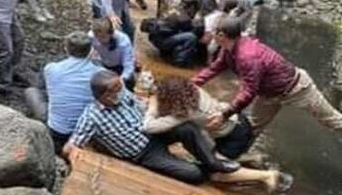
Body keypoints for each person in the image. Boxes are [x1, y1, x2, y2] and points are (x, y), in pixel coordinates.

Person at [194, 17, 342, 169]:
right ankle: (236, 158)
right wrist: (192, 84)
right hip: (269, 95)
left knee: (332, 120)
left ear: (222, 35)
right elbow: (214, 68)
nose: (211, 34)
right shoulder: (228, 49)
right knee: (253, 127)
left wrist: (224, 114)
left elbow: (248, 91)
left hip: (298, 88)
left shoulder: (247, 56)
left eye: (214, 32)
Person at [63, 70, 240, 184]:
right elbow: (71, 145)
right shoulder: (91, 116)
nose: (121, 90)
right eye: (116, 90)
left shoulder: (122, 93)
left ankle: (214, 162)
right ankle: (206, 170)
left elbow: (139, 103)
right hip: (143, 152)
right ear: (104, 95)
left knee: (188, 128)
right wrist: (71, 152)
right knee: (194, 174)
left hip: (153, 133)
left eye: (120, 86)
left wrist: (152, 104)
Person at [143, 78, 292, 193]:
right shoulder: (193, 89)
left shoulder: (185, 114)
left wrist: (151, 107)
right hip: (238, 122)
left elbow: (148, 127)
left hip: (233, 138)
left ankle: (266, 175)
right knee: (210, 155)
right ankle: (252, 158)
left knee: (216, 175)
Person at [43, 32, 102, 153]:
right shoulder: (100, 74)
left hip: (58, 129)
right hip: (86, 131)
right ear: (91, 50)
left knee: (32, 92)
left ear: (66, 48)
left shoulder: (51, 68)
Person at [140, 0, 204, 67]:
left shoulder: (174, 8)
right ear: (192, 7)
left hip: (154, 36)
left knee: (178, 31)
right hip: (162, 41)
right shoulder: (185, 18)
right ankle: (180, 61)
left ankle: (166, 53)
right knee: (191, 37)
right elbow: (192, 30)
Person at [89, 18, 136, 89]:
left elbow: (128, 66)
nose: (99, 40)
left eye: (103, 37)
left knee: (128, 83)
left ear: (111, 33)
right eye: (97, 37)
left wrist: (119, 81)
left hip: (120, 67)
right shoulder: (91, 36)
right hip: (103, 66)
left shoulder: (123, 42)